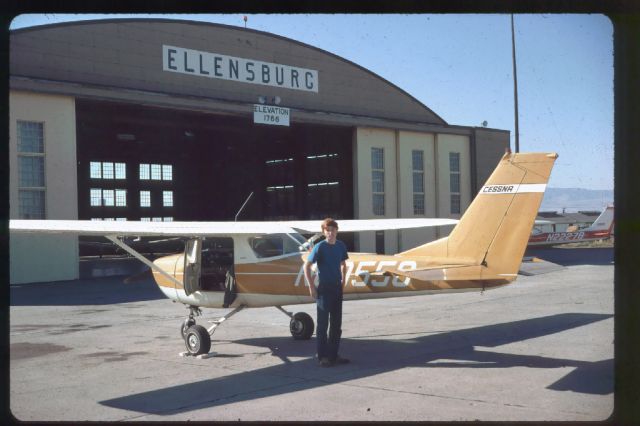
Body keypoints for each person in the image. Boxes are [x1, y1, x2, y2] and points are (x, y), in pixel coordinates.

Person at [304, 218, 350, 367]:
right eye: (327, 230)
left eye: (333, 230)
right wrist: (312, 287)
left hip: (337, 288)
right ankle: (322, 357)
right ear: (324, 232)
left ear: (337, 231)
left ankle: (334, 355)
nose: (330, 233)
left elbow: (344, 264)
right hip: (324, 288)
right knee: (323, 325)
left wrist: (343, 281)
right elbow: (307, 266)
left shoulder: (341, 246)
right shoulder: (319, 247)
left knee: (336, 325)